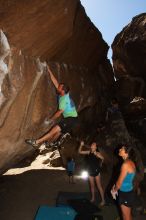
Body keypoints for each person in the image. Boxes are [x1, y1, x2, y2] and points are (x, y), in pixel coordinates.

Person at [25, 66, 78, 148]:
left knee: (54, 130)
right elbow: (56, 82)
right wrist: (49, 70)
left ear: (62, 91)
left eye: (59, 88)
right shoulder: (64, 92)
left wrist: (50, 119)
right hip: (73, 119)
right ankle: (49, 144)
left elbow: (59, 112)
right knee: (58, 133)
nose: (58, 87)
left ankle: (37, 142)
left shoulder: (64, 100)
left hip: (71, 119)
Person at [111, 144, 137, 220]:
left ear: (126, 153)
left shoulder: (125, 164)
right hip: (127, 192)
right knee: (126, 215)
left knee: (126, 216)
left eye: (122, 149)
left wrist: (114, 191)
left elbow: (119, 183)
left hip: (125, 193)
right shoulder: (130, 162)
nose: (119, 150)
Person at [78, 141, 105, 206]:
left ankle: (103, 200)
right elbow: (80, 152)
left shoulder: (97, 153)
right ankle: (93, 198)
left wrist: (97, 155)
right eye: (92, 144)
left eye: (94, 144)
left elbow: (103, 158)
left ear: (95, 147)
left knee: (99, 186)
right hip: (90, 171)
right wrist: (81, 145)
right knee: (92, 186)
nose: (92, 145)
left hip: (96, 172)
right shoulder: (88, 152)